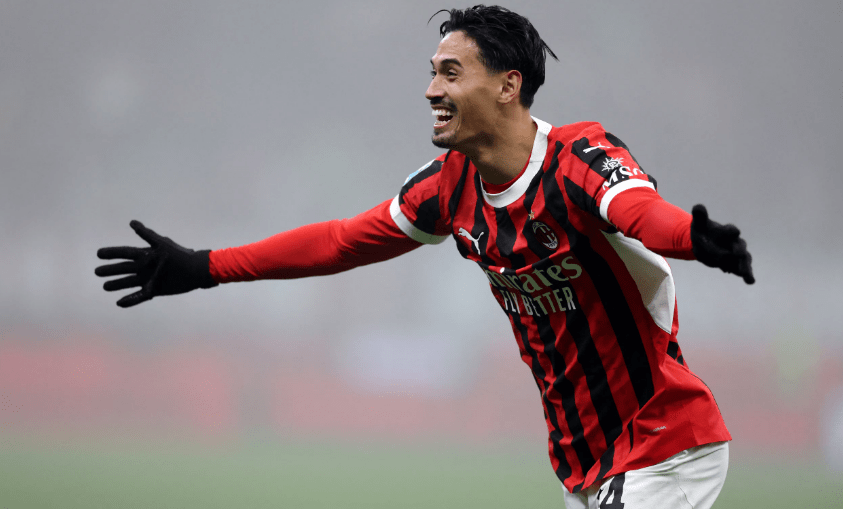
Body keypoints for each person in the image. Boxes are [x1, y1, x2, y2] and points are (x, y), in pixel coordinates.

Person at [95, 5, 754, 508]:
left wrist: (691, 238)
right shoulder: (448, 188)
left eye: (450, 73)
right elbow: (339, 241)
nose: (431, 89)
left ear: (507, 85)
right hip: (584, 464)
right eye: (432, 72)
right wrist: (206, 266)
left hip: (663, 443)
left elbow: (637, 210)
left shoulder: (576, 159)